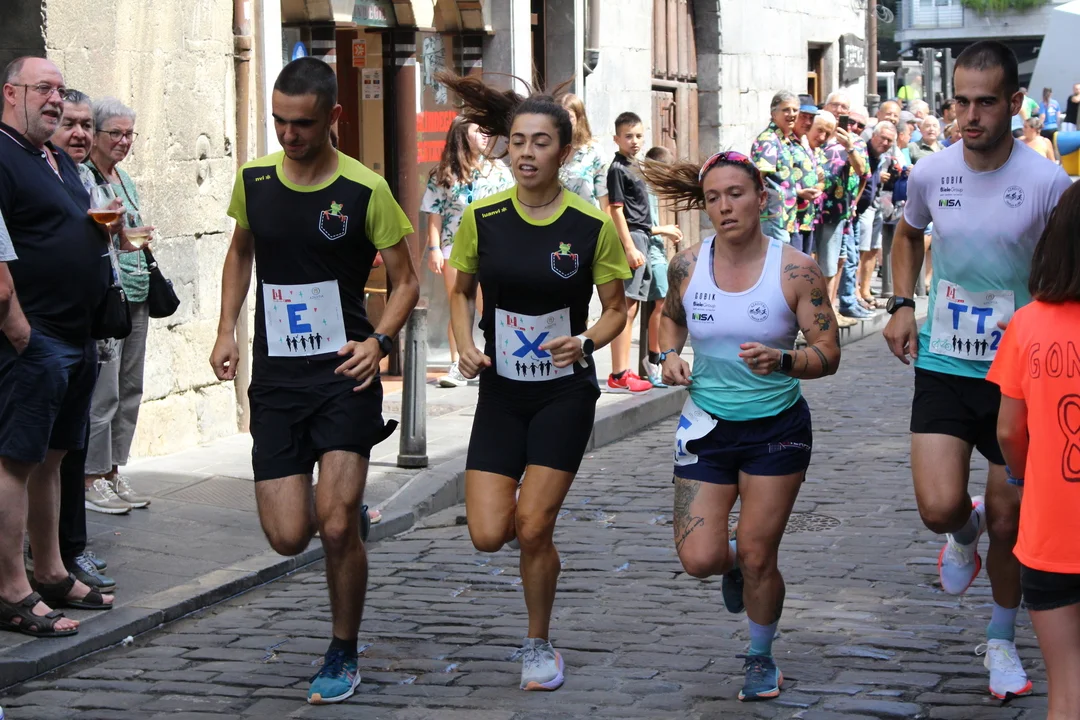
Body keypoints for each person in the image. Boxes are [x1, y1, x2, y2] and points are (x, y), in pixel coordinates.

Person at [210, 57, 419, 704]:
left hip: (343, 375)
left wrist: (380, 342)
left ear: (333, 117)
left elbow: (407, 281)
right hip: (278, 378)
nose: (288, 134)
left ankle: (342, 648)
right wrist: (226, 330)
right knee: (287, 536)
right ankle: (344, 510)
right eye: (279, 121)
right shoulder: (255, 180)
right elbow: (240, 251)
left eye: (301, 123)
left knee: (332, 528)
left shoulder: (365, 189)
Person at [883, 40, 1072, 701]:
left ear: (1014, 103)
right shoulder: (931, 172)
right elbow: (908, 233)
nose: (969, 115)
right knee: (938, 507)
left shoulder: (1048, 183)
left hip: (1018, 375)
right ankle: (961, 533)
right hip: (944, 360)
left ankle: (1000, 640)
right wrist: (902, 304)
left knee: (1010, 521)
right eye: (959, 102)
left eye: (985, 102)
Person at [436, 70, 632, 692]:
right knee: (488, 533)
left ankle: (539, 643)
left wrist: (588, 341)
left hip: (562, 392)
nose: (526, 152)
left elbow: (617, 307)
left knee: (533, 525)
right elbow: (460, 290)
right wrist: (466, 345)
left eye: (540, 142)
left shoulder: (589, 226)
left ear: (563, 151)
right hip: (502, 391)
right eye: (517, 141)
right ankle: (532, 543)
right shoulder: (483, 217)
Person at [643, 149, 840, 702]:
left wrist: (784, 360)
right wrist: (668, 356)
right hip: (706, 426)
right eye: (713, 198)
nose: (725, 207)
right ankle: (733, 566)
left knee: (758, 553)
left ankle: (760, 655)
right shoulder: (687, 266)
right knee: (699, 558)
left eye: (735, 194)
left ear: (760, 197)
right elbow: (669, 320)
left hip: (777, 429)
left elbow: (828, 353)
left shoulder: (796, 269)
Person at [0, 57, 115, 639]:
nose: (54, 98)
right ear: (10, 92)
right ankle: (9, 589)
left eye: (59, 89)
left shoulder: (51, 157)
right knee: (15, 460)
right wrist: (18, 328)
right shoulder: (1, 154)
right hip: (34, 335)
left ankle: (49, 571)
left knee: (52, 459)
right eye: (42, 88)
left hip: (75, 335)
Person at [987, 180, 1080, 720]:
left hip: (1053, 533)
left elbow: (1008, 432)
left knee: (1066, 689)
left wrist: (1023, 480)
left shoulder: (1027, 325)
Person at [45, 89, 115, 592]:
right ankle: (56, 555)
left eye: (86, 125)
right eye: (68, 123)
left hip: (85, 328)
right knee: (49, 456)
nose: (79, 134)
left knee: (71, 446)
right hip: (47, 332)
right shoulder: (40, 174)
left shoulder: (81, 176)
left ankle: (69, 550)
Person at [82, 97, 154, 514]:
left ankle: (113, 470)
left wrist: (138, 237)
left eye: (129, 134)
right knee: (105, 392)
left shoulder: (124, 178)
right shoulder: (85, 177)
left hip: (137, 292)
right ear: (95, 134)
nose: (124, 141)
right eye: (116, 133)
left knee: (130, 388)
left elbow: (127, 234)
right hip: (111, 296)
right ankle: (91, 477)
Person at [421, 117, 512, 388]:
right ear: (462, 135)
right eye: (477, 130)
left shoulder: (497, 169)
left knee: (489, 306)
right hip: (453, 247)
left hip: (491, 248)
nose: (485, 135)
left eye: (486, 130)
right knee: (458, 303)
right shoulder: (443, 173)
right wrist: (434, 249)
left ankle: (500, 359)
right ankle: (458, 364)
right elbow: (435, 214)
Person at [605, 111, 657, 394]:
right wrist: (629, 247)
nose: (634, 141)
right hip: (633, 237)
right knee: (625, 308)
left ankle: (624, 369)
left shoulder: (635, 165)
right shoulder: (617, 169)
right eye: (628, 136)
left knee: (632, 308)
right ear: (616, 139)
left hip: (643, 237)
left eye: (638, 135)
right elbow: (616, 210)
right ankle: (619, 372)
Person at [818, 93, 869, 324]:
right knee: (821, 260)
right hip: (813, 208)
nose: (839, 110)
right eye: (835, 105)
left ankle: (831, 309)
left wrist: (849, 147)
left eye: (844, 107)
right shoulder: (817, 134)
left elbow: (863, 172)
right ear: (826, 106)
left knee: (838, 259)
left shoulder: (855, 141)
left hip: (840, 209)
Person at [640, 145, 683, 387]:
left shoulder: (652, 190)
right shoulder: (644, 188)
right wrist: (664, 230)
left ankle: (653, 358)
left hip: (655, 250)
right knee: (662, 303)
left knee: (660, 303)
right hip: (649, 251)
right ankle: (654, 359)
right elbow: (638, 223)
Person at [846, 121, 897, 318]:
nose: (885, 143)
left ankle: (864, 291)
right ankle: (854, 294)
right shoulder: (862, 150)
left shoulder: (882, 157)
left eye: (889, 141)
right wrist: (854, 205)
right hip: (859, 209)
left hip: (875, 204)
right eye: (882, 138)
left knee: (872, 248)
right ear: (873, 136)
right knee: (858, 252)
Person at [751, 91, 801, 245]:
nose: (791, 114)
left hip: (784, 217)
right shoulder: (768, 140)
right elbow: (758, 178)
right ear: (773, 113)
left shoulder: (784, 140)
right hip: (772, 215)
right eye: (786, 110)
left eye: (795, 110)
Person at [559, 94, 609, 210]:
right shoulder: (552, 150)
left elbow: (603, 195)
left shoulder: (593, 151)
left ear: (579, 118)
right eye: (561, 117)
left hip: (588, 217)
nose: (565, 121)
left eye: (569, 117)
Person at [790, 104, 824, 257]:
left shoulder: (805, 143)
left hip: (807, 218)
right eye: (803, 117)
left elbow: (820, 176)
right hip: (790, 219)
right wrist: (798, 192)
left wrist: (819, 186)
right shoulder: (785, 142)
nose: (808, 122)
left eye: (811, 118)